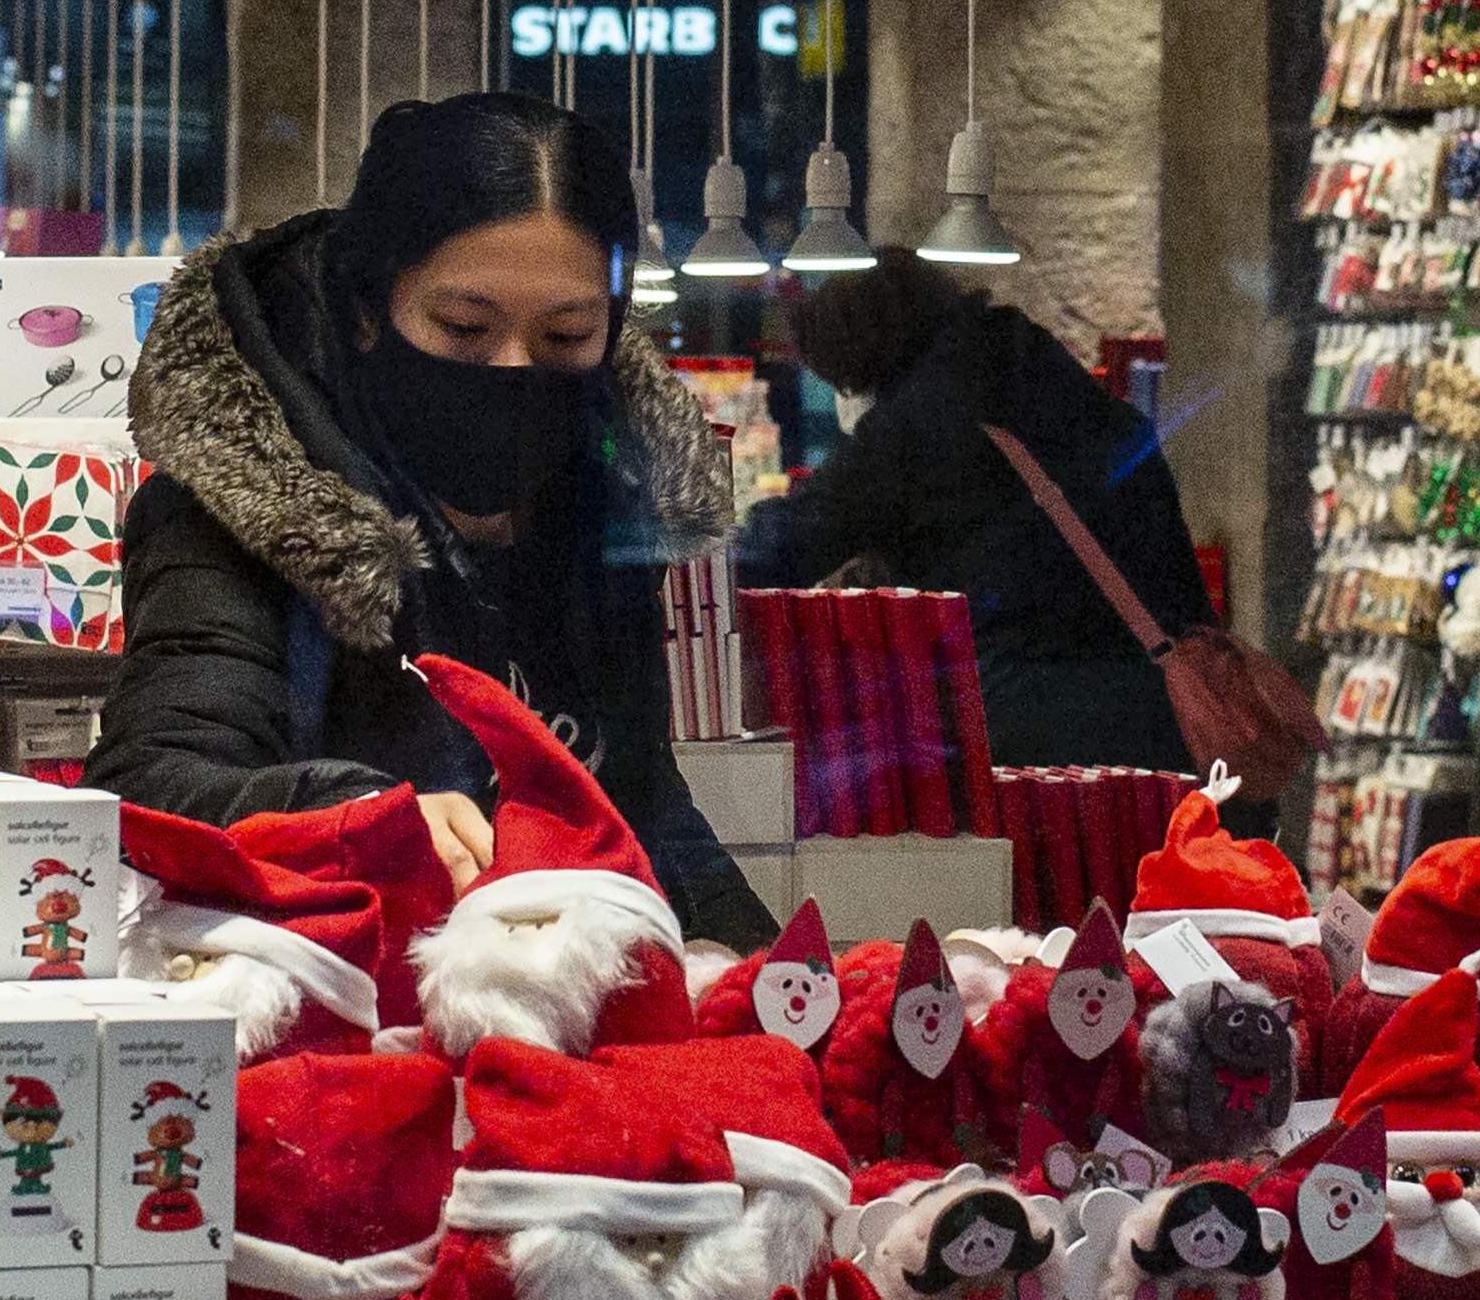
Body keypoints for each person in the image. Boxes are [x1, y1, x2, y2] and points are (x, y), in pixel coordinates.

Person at [91, 90, 776, 950]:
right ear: (370, 309)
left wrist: (780, 981)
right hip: (337, 1023)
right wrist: (359, 816)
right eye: (462, 328)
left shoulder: (606, 509)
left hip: (558, 1032)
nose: (514, 371)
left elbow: (641, 809)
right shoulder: (237, 514)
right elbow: (146, 786)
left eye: (567, 336)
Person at [743, 248, 1200, 773]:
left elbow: (795, 538)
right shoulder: (1026, 363)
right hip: (1159, 690)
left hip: (1042, 715)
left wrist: (673, 556)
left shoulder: (929, 414)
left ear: (857, 354)